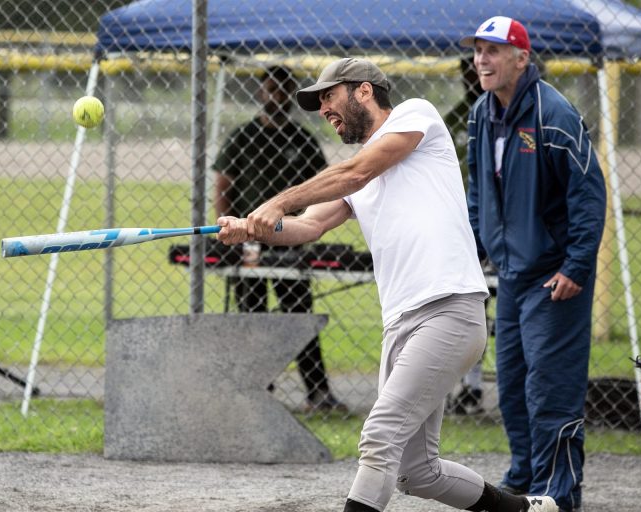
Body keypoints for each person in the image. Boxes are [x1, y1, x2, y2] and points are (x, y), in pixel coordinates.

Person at [217, 57, 558, 512]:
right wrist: (255, 227)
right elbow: (309, 226)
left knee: (379, 435)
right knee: (416, 472)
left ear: (363, 91)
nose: (323, 110)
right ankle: (524, 510)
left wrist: (276, 201)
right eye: (318, 103)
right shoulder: (357, 175)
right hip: (400, 322)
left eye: (329, 97)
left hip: (449, 310)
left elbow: (353, 173)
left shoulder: (415, 116)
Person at [461, 16, 607, 512]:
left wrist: (576, 266)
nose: (482, 60)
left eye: (494, 51)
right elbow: (478, 188)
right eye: (478, 50)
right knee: (513, 387)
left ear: (521, 59)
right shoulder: (482, 113)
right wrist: (478, 246)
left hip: (554, 277)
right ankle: (525, 481)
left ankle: (559, 494)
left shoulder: (554, 114)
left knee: (551, 391)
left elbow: (589, 194)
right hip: (512, 273)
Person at [212, 65, 346, 413]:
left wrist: (306, 225)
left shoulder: (301, 138)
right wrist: (230, 228)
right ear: (260, 92)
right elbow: (223, 187)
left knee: (299, 315)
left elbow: (320, 187)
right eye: (270, 89)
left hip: (290, 240)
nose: (276, 96)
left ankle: (318, 391)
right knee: (253, 316)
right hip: (249, 241)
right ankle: (258, 388)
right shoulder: (244, 136)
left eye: (283, 90)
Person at [444, 58, 487, 416]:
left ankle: (473, 385)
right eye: (467, 71)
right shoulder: (456, 117)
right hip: (459, 221)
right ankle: (457, 384)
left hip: (496, 220)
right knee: (456, 302)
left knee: (486, 306)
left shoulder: (501, 114)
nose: (472, 77)